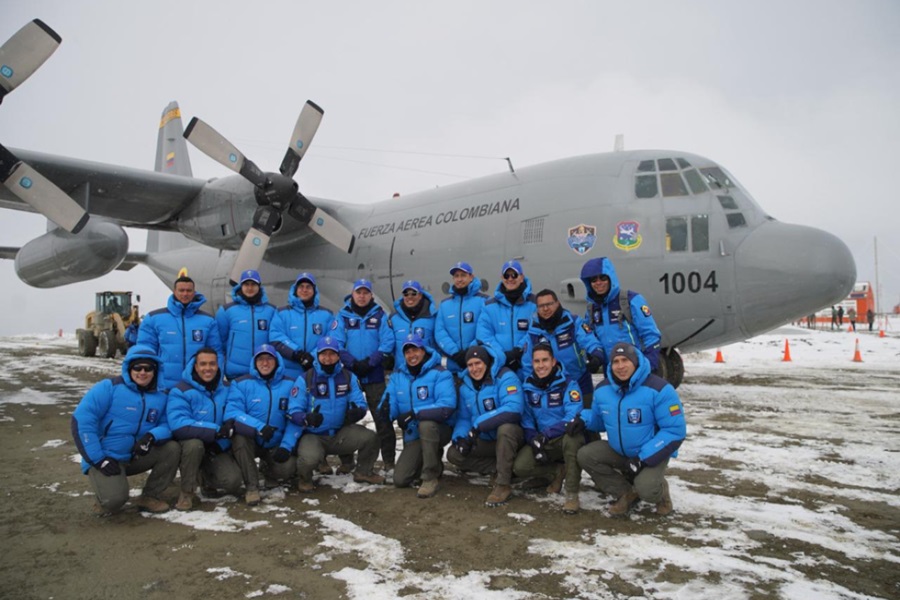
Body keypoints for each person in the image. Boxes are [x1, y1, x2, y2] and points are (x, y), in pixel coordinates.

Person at [572, 342, 686, 517]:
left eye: (625, 360)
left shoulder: (660, 389)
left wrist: (643, 458)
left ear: (636, 362)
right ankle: (626, 493)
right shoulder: (603, 389)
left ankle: (660, 492)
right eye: (615, 361)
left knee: (647, 490)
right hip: (619, 450)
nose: (620, 366)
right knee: (586, 455)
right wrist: (583, 420)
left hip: (651, 452)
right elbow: (599, 419)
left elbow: (674, 431)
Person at [71, 345, 180, 515]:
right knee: (114, 502)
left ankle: (150, 496)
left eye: (148, 368)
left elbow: (168, 424)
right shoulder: (108, 388)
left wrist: (151, 436)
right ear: (129, 368)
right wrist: (98, 459)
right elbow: (82, 421)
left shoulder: (162, 396)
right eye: (137, 367)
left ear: (155, 371)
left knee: (172, 448)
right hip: (107, 458)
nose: (142, 372)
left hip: (136, 455)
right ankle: (106, 497)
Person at [280, 336, 385, 491]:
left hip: (339, 433)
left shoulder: (349, 376)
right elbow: (293, 410)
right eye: (324, 354)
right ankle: (305, 479)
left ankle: (363, 472)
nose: (328, 358)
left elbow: (359, 402)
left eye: (332, 354)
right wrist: (306, 418)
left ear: (338, 356)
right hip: (314, 435)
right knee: (309, 459)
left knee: (370, 438)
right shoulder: (305, 378)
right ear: (318, 355)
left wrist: (357, 412)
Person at [330, 279, 397, 469]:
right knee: (345, 416)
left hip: (373, 373)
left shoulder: (380, 316)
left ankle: (389, 461)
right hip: (349, 375)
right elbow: (336, 343)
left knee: (382, 418)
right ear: (352, 294)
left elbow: (387, 342)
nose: (361, 296)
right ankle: (346, 460)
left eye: (365, 292)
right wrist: (351, 363)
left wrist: (370, 362)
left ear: (371, 295)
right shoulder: (342, 316)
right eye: (358, 292)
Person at [447, 345, 524, 507]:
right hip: (486, 441)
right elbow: (463, 418)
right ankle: (499, 468)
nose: (474, 369)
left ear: (487, 363)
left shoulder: (505, 377)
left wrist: (479, 424)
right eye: (470, 365)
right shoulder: (465, 386)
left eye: (478, 363)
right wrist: (460, 438)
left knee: (506, 428)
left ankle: (503, 485)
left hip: (512, 438)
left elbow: (514, 409)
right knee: (454, 454)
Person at [381, 334, 456, 498]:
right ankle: (432, 460)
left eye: (415, 350)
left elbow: (447, 406)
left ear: (423, 350)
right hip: (414, 436)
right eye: (407, 352)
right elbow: (390, 401)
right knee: (401, 479)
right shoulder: (398, 376)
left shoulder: (440, 373)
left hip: (438, 430)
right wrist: (385, 411)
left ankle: (430, 477)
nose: (411, 355)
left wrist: (415, 413)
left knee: (426, 424)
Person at [167, 347, 242, 510]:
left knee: (233, 481)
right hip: (190, 446)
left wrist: (230, 422)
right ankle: (187, 492)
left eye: (212, 364)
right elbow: (178, 424)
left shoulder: (227, 388)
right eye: (203, 364)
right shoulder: (180, 390)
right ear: (195, 366)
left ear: (218, 366)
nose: (208, 368)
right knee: (194, 445)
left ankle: (206, 477)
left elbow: (235, 409)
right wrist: (215, 430)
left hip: (217, 447)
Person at [513, 343, 585, 514]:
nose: (541, 365)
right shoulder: (528, 386)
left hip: (563, 436)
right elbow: (527, 417)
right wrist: (533, 439)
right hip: (542, 439)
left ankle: (572, 494)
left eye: (545, 360)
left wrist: (546, 435)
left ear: (553, 361)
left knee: (573, 438)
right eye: (536, 361)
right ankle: (556, 472)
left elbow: (573, 415)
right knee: (520, 467)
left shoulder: (569, 384)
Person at [224, 344, 297, 505]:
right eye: (261, 359)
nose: (265, 363)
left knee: (287, 469)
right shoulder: (241, 383)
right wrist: (258, 427)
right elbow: (232, 412)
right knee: (239, 438)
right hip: (251, 439)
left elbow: (295, 418)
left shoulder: (290, 384)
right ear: (254, 362)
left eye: (269, 359)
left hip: (275, 442)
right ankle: (252, 486)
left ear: (277, 361)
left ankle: (269, 470)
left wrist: (286, 445)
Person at [136, 275, 223, 391]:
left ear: (194, 292)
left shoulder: (208, 321)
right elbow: (144, 352)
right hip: (164, 386)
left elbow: (217, 353)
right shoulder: (154, 318)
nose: (185, 294)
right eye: (181, 290)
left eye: (189, 290)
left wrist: (217, 379)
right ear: (174, 291)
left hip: (197, 386)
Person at [520, 289, 604, 407]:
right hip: (549, 389)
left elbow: (590, 341)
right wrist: (532, 387)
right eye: (541, 306)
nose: (545, 309)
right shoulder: (533, 332)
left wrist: (597, 356)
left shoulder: (573, 323)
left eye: (549, 304)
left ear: (557, 303)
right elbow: (527, 363)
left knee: (587, 419)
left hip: (579, 381)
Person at [580, 257, 661, 374]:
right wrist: (593, 356)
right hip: (611, 371)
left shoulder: (631, 301)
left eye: (603, 278)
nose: (598, 283)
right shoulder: (592, 308)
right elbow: (589, 337)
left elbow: (651, 335)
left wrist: (650, 365)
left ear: (611, 278)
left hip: (635, 369)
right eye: (593, 280)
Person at [270, 272, 334, 381]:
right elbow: (276, 337)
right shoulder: (282, 313)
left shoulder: (327, 315)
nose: (305, 290)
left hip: (317, 371)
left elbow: (331, 337)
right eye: (301, 287)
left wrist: (312, 356)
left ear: (314, 291)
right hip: (288, 374)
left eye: (308, 287)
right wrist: (297, 354)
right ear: (295, 290)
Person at [476, 260, 537, 373]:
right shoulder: (489, 306)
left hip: (529, 365)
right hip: (500, 366)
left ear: (522, 277)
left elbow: (536, 330)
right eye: (506, 275)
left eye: (514, 275)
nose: (510, 279)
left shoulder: (534, 304)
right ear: (502, 277)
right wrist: (503, 356)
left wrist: (518, 351)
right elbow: (484, 334)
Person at [215, 269, 277, 380]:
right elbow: (220, 342)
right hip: (236, 373)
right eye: (246, 284)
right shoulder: (226, 310)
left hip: (264, 371)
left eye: (253, 284)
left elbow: (275, 338)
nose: (249, 288)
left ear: (259, 286)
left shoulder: (271, 310)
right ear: (240, 286)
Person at [434, 261, 488, 375]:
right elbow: (440, 331)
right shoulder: (445, 305)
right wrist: (454, 352)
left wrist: (470, 351)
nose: (459, 279)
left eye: (463, 275)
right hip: (453, 361)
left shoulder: (483, 301)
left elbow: (485, 328)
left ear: (471, 277)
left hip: (477, 361)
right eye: (456, 276)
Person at [388, 280, 438, 367]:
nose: (409, 297)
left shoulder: (432, 317)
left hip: (427, 370)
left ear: (420, 295)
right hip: (402, 371)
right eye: (406, 294)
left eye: (413, 293)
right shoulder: (393, 319)